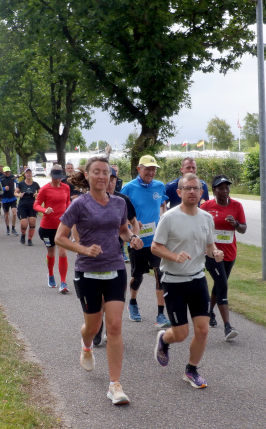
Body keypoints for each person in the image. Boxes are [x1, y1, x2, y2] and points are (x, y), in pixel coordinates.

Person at [55, 156, 144, 405]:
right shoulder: (79, 204)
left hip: (115, 268)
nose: (103, 177)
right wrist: (84, 250)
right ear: (88, 175)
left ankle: (115, 385)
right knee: (92, 328)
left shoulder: (119, 203)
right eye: (97, 172)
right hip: (87, 272)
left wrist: (132, 238)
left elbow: (123, 229)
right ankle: (85, 345)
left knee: (114, 326)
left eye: (107, 173)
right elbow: (60, 237)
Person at [151, 173, 224, 389]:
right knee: (181, 333)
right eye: (187, 188)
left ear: (201, 193)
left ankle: (191, 370)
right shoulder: (170, 218)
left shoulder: (206, 218)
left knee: (202, 329)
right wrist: (174, 256)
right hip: (173, 281)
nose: (192, 191)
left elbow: (210, 247)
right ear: (179, 191)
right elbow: (155, 247)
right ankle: (165, 339)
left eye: (196, 188)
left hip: (197, 279)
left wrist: (216, 252)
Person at [120, 155, 170, 328]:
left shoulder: (159, 186)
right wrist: (131, 225)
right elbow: (119, 213)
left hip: (157, 241)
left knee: (160, 276)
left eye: (153, 169)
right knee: (138, 276)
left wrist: (163, 218)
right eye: (147, 169)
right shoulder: (128, 188)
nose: (151, 172)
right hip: (137, 241)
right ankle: (132, 302)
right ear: (138, 169)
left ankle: (161, 315)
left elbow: (162, 206)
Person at [93, 166, 141, 347]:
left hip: (116, 255)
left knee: (115, 297)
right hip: (95, 258)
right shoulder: (91, 201)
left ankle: (109, 329)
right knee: (101, 299)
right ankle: (97, 326)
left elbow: (134, 223)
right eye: (108, 178)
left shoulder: (122, 200)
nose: (111, 182)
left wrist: (134, 239)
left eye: (114, 179)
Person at [200, 175, 247, 340]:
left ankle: (208, 312)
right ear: (214, 190)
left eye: (227, 187)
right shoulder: (206, 206)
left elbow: (243, 229)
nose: (225, 190)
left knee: (219, 285)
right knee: (222, 284)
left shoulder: (236, 206)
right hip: (211, 253)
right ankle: (227, 326)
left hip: (230, 253)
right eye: (221, 188)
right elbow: (198, 225)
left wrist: (235, 223)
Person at [34, 164, 71, 292]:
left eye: (59, 177)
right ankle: (50, 275)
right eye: (55, 177)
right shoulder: (45, 189)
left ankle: (63, 282)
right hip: (47, 227)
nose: (57, 180)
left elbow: (67, 203)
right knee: (51, 253)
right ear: (51, 176)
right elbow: (36, 205)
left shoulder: (66, 188)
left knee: (63, 252)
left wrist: (68, 211)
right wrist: (45, 210)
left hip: (62, 226)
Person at [15, 168, 41, 246]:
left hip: (32, 205)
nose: (28, 174)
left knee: (32, 222)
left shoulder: (35, 184)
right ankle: (23, 235)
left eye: (30, 173)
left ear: (31, 174)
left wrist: (37, 194)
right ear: (25, 175)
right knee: (24, 224)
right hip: (22, 205)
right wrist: (19, 195)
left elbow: (41, 193)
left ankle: (30, 239)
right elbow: (15, 192)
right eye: (27, 173)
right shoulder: (21, 183)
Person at [0, 166, 19, 236]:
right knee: (6, 215)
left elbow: (17, 183)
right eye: (6, 172)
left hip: (12, 198)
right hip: (5, 199)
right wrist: (4, 188)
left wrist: (17, 188)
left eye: (8, 171)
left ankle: (13, 228)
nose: (8, 173)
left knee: (14, 213)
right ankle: (7, 228)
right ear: (4, 172)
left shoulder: (12, 177)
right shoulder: (1, 179)